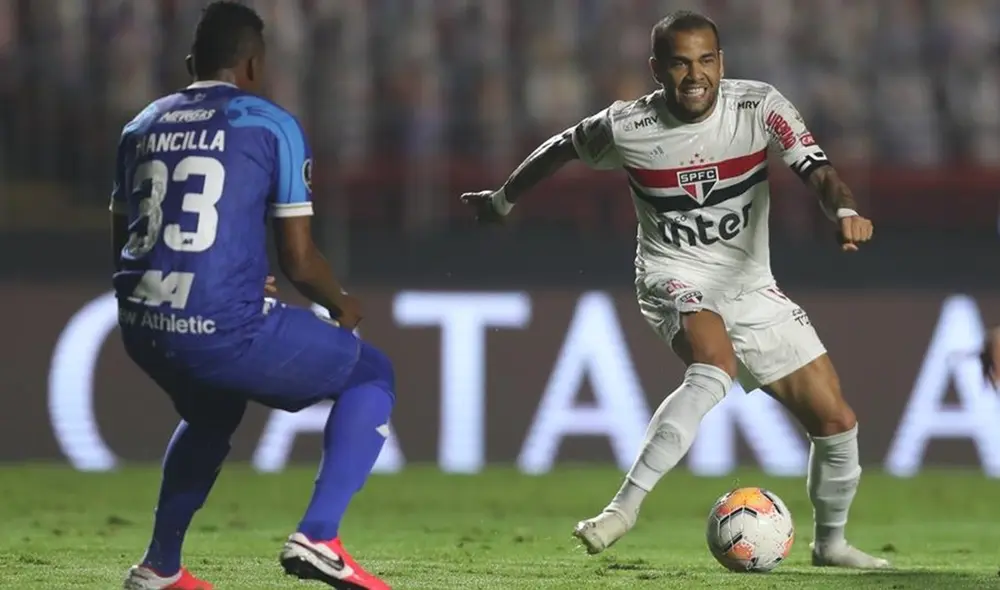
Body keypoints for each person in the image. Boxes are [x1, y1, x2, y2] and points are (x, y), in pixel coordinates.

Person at [461, 11, 889, 570]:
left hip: (750, 285)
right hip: (672, 274)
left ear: (721, 63)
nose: (695, 75)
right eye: (681, 63)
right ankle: (624, 509)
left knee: (836, 422)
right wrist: (502, 201)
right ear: (657, 69)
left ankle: (829, 544)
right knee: (715, 366)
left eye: (706, 60)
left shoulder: (759, 107)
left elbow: (820, 172)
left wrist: (846, 210)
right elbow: (560, 147)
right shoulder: (627, 126)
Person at [112, 3, 393, 589]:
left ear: (191, 62)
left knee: (212, 410)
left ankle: (160, 566)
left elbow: (131, 243)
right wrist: (341, 303)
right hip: (217, 324)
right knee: (370, 374)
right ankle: (319, 535)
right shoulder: (269, 124)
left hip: (140, 321)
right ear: (254, 65)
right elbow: (298, 259)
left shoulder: (140, 125)